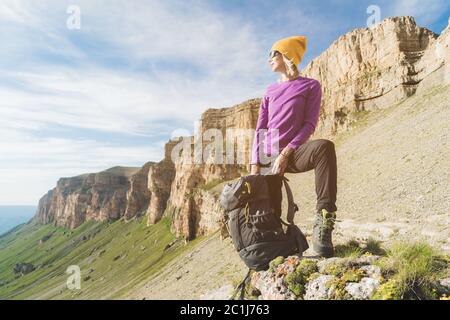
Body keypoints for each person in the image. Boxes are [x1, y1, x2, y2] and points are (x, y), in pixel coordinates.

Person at [250, 36, 337, 258]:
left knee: (324, 148)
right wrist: (255, 166)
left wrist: (287, 152)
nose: (268, 58)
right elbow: (260, 130)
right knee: (272, 209)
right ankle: (276, 249)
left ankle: (323, 224)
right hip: (268, 155)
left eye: (273, 53)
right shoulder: (269, 91)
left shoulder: (310, 86)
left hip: (294, 152)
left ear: (286, 55)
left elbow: (309, 124)